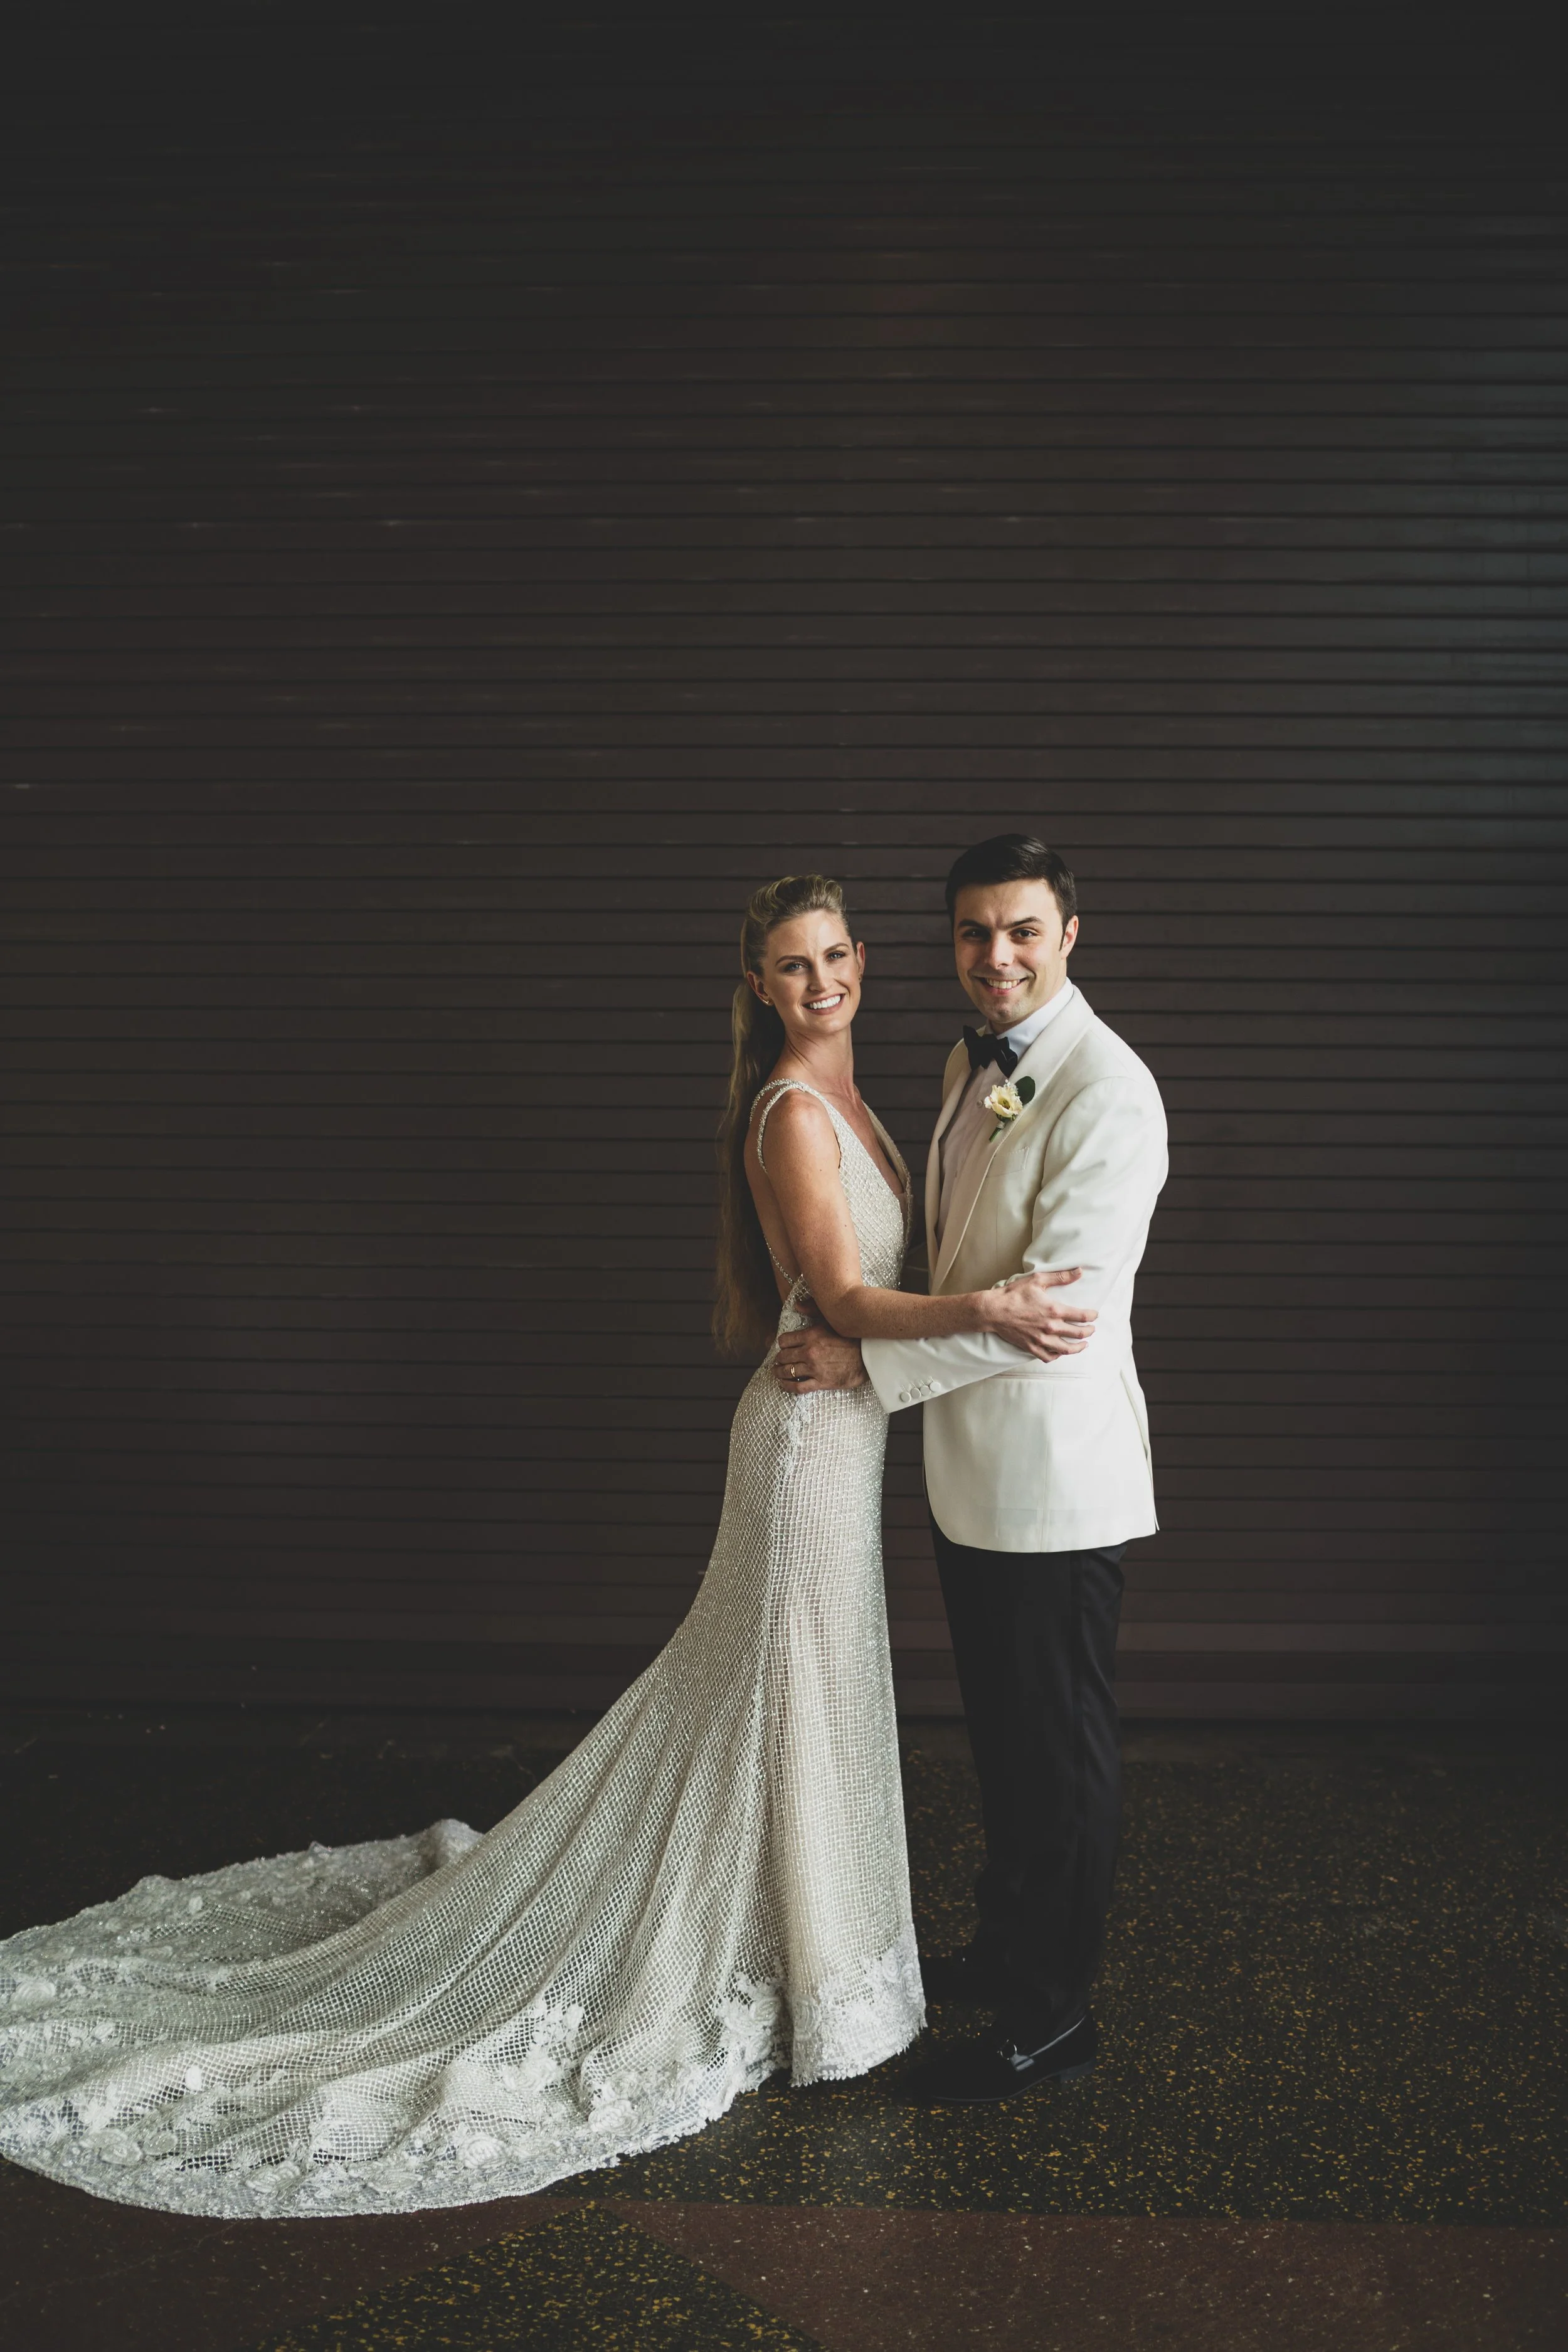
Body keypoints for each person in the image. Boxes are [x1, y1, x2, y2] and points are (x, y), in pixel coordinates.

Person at [0, 871, 1091, 2218]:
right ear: (758, 985)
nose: (819, 983)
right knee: (779, 1698)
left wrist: (896, 1327)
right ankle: (799, 1975)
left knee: (784, 1701)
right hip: (804, 1450)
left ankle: (824, 1953)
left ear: (863, 960)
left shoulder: (877, 1096)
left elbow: (864, 1308)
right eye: (790, 967)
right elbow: (856, 1296)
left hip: (847, 1426)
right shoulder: (792, 1114)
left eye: (833, 958)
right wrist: (980, 1306)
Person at [777, 835, 1168, 2104]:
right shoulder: (966, 1064)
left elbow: (1046, 1312)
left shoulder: (1107, 1091)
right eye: (970, 933)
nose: (993, 957)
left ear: (1068, 935)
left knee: (1057, 1754)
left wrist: (864, 1364)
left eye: (1019, 932)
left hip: (1052, 1480)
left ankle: (1052, 2021)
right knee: (1002, 1742)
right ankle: (1006, 1949)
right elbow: (962, 1276)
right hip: (968, 1480)